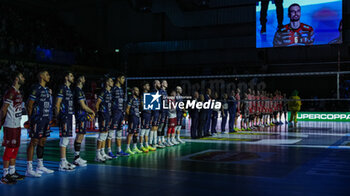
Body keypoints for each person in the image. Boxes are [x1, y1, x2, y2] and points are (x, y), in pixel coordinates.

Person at [26, 70, 54, 177]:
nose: (49, 76)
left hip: (46, 119)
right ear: (41, 76)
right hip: (37, 119)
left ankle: (40, 165)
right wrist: (30, 119)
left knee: (43, 141)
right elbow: (29, 105)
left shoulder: (47, 90)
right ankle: (29, 169)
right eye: (47, 74)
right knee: (34, 141)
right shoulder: (36, 88)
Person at [0, 72, 26, 184]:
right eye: (22, 76)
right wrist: (0, 123)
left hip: (17, 124)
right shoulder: (10, 92)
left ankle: (12, 171)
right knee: (9, 148)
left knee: (15, 147)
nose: (24, 78)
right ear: (16, 79)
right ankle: (5, 175)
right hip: (10, 125)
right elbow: (3, 109)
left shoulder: (19, 92)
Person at [55, 72, 76, 171]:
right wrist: (58, 116)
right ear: (66, 77)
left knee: (66, 138)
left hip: (69, 115)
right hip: (64, 116)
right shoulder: (62, 88)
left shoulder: (69, 90)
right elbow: (57, 104)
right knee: (64, 139)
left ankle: (65, 160)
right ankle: (62, 163)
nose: (73, 77)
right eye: (71, 76)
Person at [73, 75, 95, 166]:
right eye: (83, 78)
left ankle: (77, 157)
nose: (85, 79)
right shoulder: (77, 90)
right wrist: (92, 112)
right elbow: (83, 105)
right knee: (79, 135)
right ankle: (76, 158)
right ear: (80, 80)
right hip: (80, 115)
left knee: (81, 135)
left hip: (82, 115)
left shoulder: (80, 91)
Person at [109, 73, 129, 157]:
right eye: (122, 78)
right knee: (111, 132)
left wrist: (124, 113)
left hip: (121, 113)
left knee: (119, 132)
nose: (124, 80)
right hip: (114, 113)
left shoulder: (122, 90)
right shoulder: (113, 89)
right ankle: (109, 151)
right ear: (118, 79)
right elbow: (109, 101)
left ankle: (119, 150)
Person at [95, 76, 114, 162]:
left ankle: (102, 152)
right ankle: (97, 154)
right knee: (102, 134)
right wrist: (99, 113)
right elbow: (97, 103)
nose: (112, 82)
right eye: (110, 81)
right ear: (107, 83)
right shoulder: (103, 91)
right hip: (103, 115)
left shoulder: (109, 93)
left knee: (105, 134)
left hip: (108, 115)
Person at [125, 87, 142, 154]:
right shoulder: (131, 98)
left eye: (138, 90)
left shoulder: (137, 99)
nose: (138, 92)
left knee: (136, 133)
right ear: (133, 91)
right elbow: (127, 109)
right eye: (136, 90)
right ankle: (127, 148)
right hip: (132, 118)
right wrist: (130, 117)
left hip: (137, 117)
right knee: (130, 133)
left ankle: (134, 147)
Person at [140, 81, 156, 152]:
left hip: (149, 114)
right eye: (147, 85)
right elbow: (142, 105)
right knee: (143, 131)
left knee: (147, 130)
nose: (149, 87)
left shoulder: (149, 95)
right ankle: (141, 146)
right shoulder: (142, 95)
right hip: (145, 114)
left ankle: (146, 145)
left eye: (149, 86)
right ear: (144, 87)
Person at [150, 80, 162, 148]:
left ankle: (155, 142)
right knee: (153, 127)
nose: (160, 84)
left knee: (156, 127)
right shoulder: (153, 91)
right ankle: (151, 142)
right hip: (154, 112)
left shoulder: (158, 92)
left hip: (157, 112)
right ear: (155, 84)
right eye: (158, 83)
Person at [157, 80, 168, 147]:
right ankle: (158, 140)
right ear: (162, 84)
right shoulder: (160, 92)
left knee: (164, 126)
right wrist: (160, 111)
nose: (166, 84)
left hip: (166, 111)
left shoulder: (165, 92)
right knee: (160, 126)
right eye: (165, 83)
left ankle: (162, 139)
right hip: (162, 111)